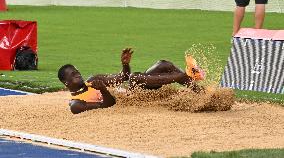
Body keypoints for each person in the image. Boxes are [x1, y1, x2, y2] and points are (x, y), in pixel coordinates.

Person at [58, 48, 205, 114]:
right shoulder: (76, 104)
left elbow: (123, 77)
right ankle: (184, 75)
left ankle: (200, 92)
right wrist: (103, 89)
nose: (78, 74)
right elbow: (108, 104)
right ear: (66, 82)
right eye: (73, 74)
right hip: (129, 102)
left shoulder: (93, 80)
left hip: (133, 93)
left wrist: (125, 64)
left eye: (77, 71)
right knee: (135, 77)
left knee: (163, 64)